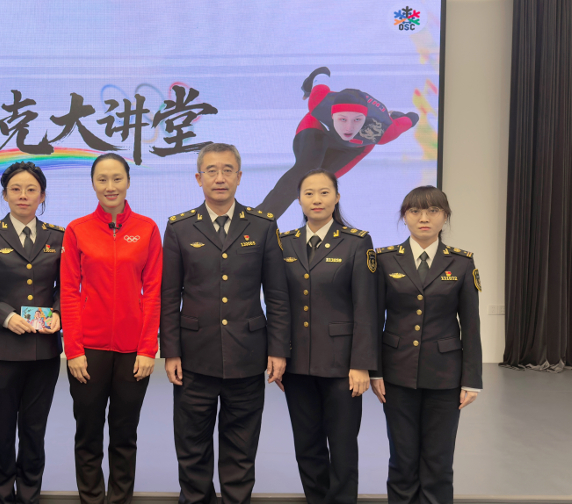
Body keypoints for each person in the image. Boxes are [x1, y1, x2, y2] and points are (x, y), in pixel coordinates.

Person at [160, 142, 290, 504]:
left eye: (227, 170)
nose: (220, 178)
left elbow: (277, 295)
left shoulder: (263, 225)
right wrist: (170, 352)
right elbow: (169, 296)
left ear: (239, 176)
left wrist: (278, 349)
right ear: (199, 178)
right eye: (212, 171)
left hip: (247, 356)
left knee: (241, 448)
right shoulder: (180, 227)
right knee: (192, 447)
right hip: (193, 357)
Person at [61, 153, 163, 504]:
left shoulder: (147, 229)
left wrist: (148, 349)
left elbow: (153, 292)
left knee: (124, 436)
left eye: (117, 178)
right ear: (93, 184)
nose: (110, 186)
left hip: (133, 352)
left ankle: (120, 499)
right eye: (102, 179)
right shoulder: (77, 229)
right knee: (88, 436)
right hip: (88, 352)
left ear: (128, 182)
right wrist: (73, 350)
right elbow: (69, 293)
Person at [370, 186, 482, 504]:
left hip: (445, 376)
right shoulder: (385, 260)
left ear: (445, 217)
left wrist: (472, 379)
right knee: (402, 460)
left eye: (433, 211)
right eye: (415, 211)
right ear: (404, 217)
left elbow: (471, 326)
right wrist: (375, 371)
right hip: (396, 374)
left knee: (438, 463)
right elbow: (373, 320)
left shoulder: (461, 263)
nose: (424, 218)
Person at [277, 169, 378, 504]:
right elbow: (279, 304)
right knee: (307, 446)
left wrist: (361, 364)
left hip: (342, 365)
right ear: (299, 199)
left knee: (343, 445)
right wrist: (278, 355)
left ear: (337, 197)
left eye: (324, 192)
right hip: (297, 365)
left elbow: (366, 307)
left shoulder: (356, 242)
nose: (316, 200)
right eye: (309, 193)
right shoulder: (285, 242)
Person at [0, 161, 63, 504]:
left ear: (42, 196)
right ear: (5, 195)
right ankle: (1, 497)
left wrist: (58, 313)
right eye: (16, 189)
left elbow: (68, 287)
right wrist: (5, 317)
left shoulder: (59, 237)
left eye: (31, 189)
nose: (23, 195)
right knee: (1, 434)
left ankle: (30, 497)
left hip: (43, 352)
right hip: (0, 351)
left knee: (34, 434)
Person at [258, 67, 419, 218]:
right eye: (343, 119)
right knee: (305, 170)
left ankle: (257, 218)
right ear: (332, 114)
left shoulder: (384, 131)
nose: (349, 128)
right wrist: (312, 82)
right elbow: (322, 73)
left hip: (354, 148)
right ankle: (260, 221)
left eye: (357, 120)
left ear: (365, 119)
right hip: (318, 129)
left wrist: (406, 117)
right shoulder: (319, 103)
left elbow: (411, 119)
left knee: (312, 183)